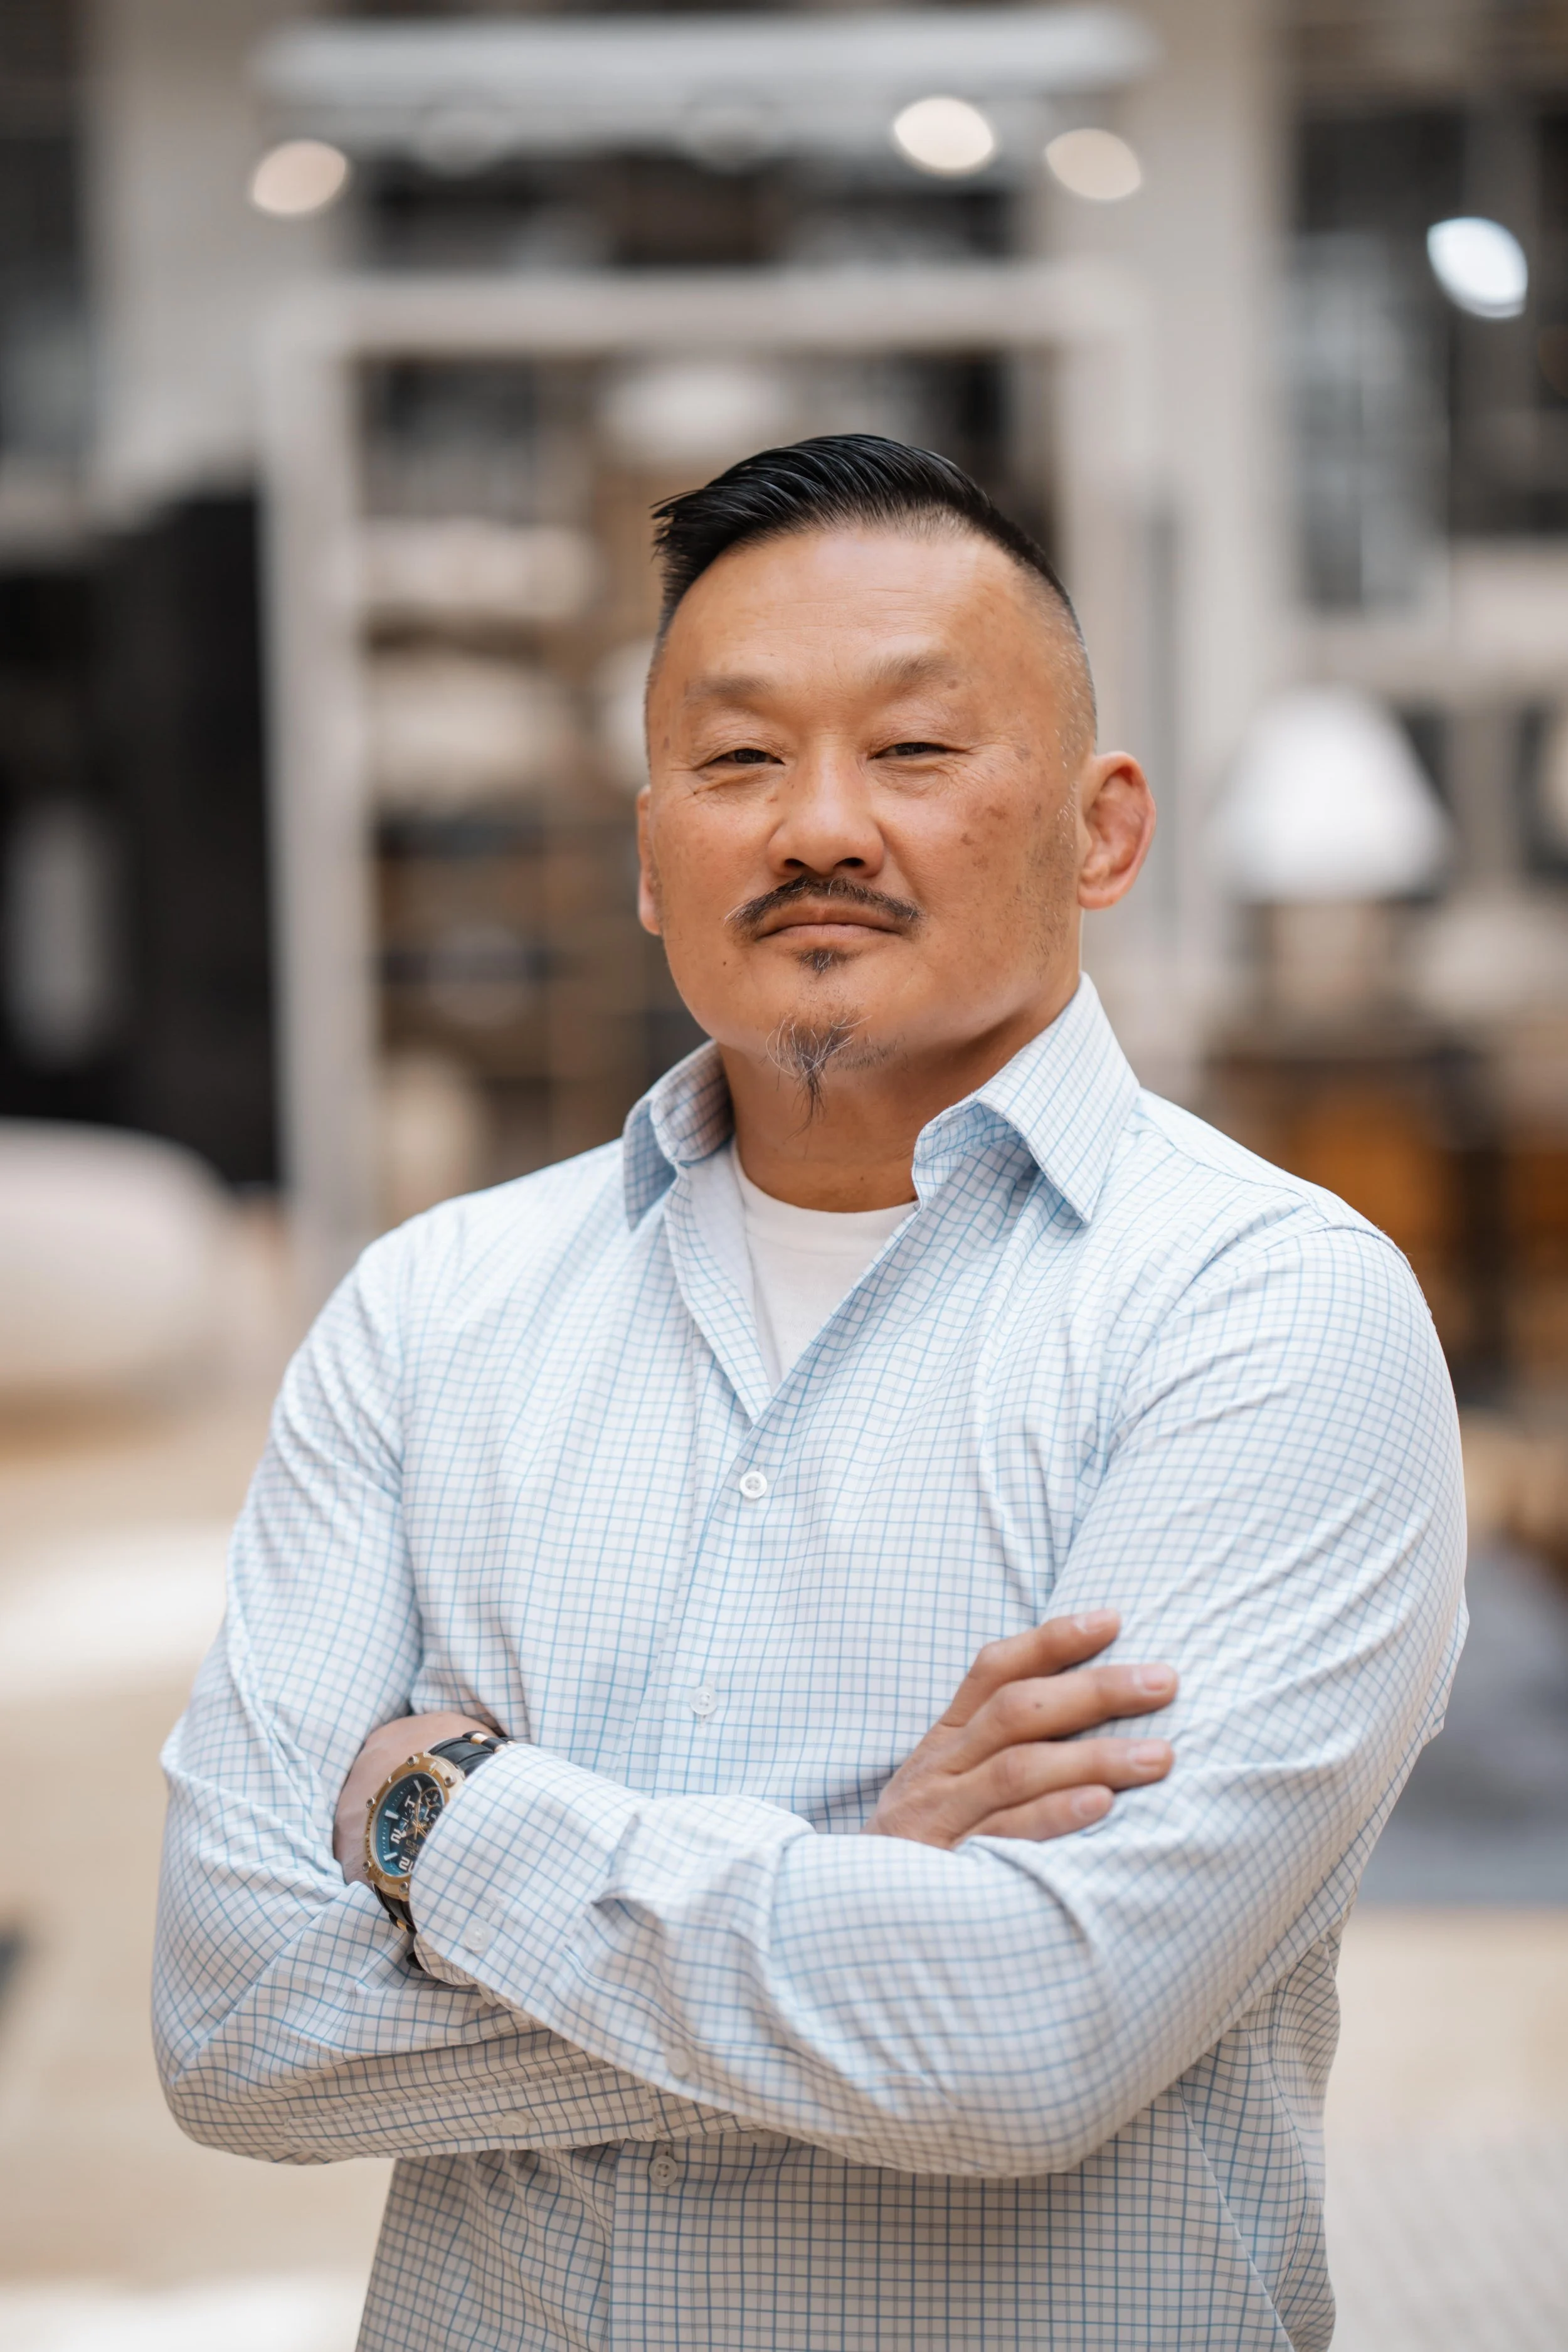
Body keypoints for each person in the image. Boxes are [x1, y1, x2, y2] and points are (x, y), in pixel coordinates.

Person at [155, 435, 1466, 2352]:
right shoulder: (431, 1311)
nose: (817, 826)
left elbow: (1032, 2035)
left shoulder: (1266, 1315)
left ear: (1102, 829)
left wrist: (446, 1819)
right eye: (740, 758)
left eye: (915, 752)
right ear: (645, 848)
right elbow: (236, 2021)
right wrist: (857, 1898)